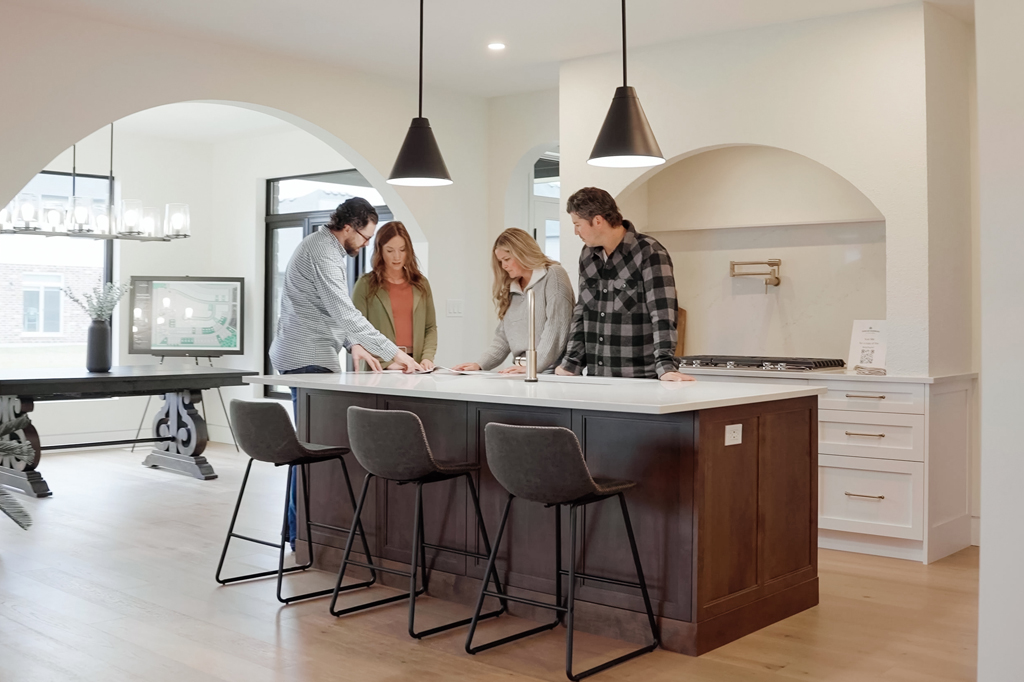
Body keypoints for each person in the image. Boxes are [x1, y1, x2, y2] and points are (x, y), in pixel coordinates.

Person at [268, 197, 421, 550]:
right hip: (307, 358)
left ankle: (297, 534)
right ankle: (301, 535)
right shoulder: (323, 252)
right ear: (349, 228)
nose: (366, 245)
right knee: (310, 448)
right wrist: (396, 352)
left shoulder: (325, 249)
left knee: (307, 445)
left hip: (305, 353)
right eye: (366, 238)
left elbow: (332, 309)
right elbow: (344, 311)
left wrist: (355, 344)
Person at [555, 187, 693, 382]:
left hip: (640, 380)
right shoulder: (587, 255)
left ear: (597, 221)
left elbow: (663, 314)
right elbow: (582, 311)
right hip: (597, 378)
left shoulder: (649, 252)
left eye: (577, 224)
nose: (575, 231)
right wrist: (571, 364)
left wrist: (666, 366)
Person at [453, 227, 574, 374]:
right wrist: (479, 364)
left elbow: (556, 328)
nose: (503, 266)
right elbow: (503, 338)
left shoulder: (553, 275)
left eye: (507, 259)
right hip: (522, 370)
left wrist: (532, 367)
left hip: (549, 373)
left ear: (522, 253)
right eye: (500, 261)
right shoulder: (513, 289)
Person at [352, 221, 438, 371]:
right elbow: (356, 329)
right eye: (390, 251)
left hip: (416, 365)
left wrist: (427, 357)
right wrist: (387, 364)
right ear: (380, 251)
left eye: (402, 250)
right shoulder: (365, 284)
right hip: (381, 366)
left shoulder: (421, 284)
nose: (397, 257)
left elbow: (430, 327)